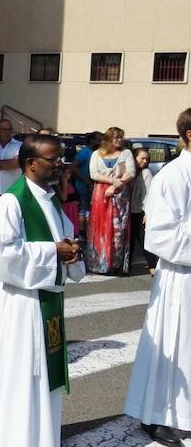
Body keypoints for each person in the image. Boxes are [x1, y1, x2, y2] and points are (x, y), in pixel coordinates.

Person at [0, 134, 85, 447]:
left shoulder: (49, 199)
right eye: (54, 160)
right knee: (21, 374)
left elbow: (64, 235)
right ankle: (15, 437)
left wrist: (72, 249)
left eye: (61, 159)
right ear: (31, 163)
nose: (59, 166)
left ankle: (41, 436)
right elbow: (2, 256)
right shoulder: (12, 201)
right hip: (23, 304)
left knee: (41, 376)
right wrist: (55, 252)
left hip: (46, 299)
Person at [123, 109, 191, 446]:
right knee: (172, 346)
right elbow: (160, 236)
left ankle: (186, 413)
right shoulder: (172, 176)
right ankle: (157, 414)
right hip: (181, 278)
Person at [87, 126, 135, 275]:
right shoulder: (96, 154)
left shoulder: (126, 153)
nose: (120, 140)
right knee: (100, 227)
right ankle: (100, 262)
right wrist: (112, 181)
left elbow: (131, 172)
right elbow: (93, 174)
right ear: (108, 139)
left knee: (118, 230)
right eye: (116, 137)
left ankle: (116, 264)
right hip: (101, 194)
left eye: (121, 137)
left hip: (120, 196)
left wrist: (116, 186)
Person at [128, 147, 157, 276]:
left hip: (140, 212)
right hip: (127, 211)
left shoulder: (146, 173)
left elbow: (149, 195)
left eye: (147, 159)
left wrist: (147, 212)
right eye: (142, 158)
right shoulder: (130, 172)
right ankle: (126, 266)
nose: (144, 161)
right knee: (129, 241)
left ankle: (152, 267)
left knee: (144, 239)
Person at [71, 131, 103, 239]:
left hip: (89, 184)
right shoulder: (85, 152)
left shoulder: (94, 152)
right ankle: (83, 233)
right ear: (92, 140)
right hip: (83, 185)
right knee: (84, 209)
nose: (101, 142)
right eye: (98, 139)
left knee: (88, 209)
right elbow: (74, 167)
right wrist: (85, 180)